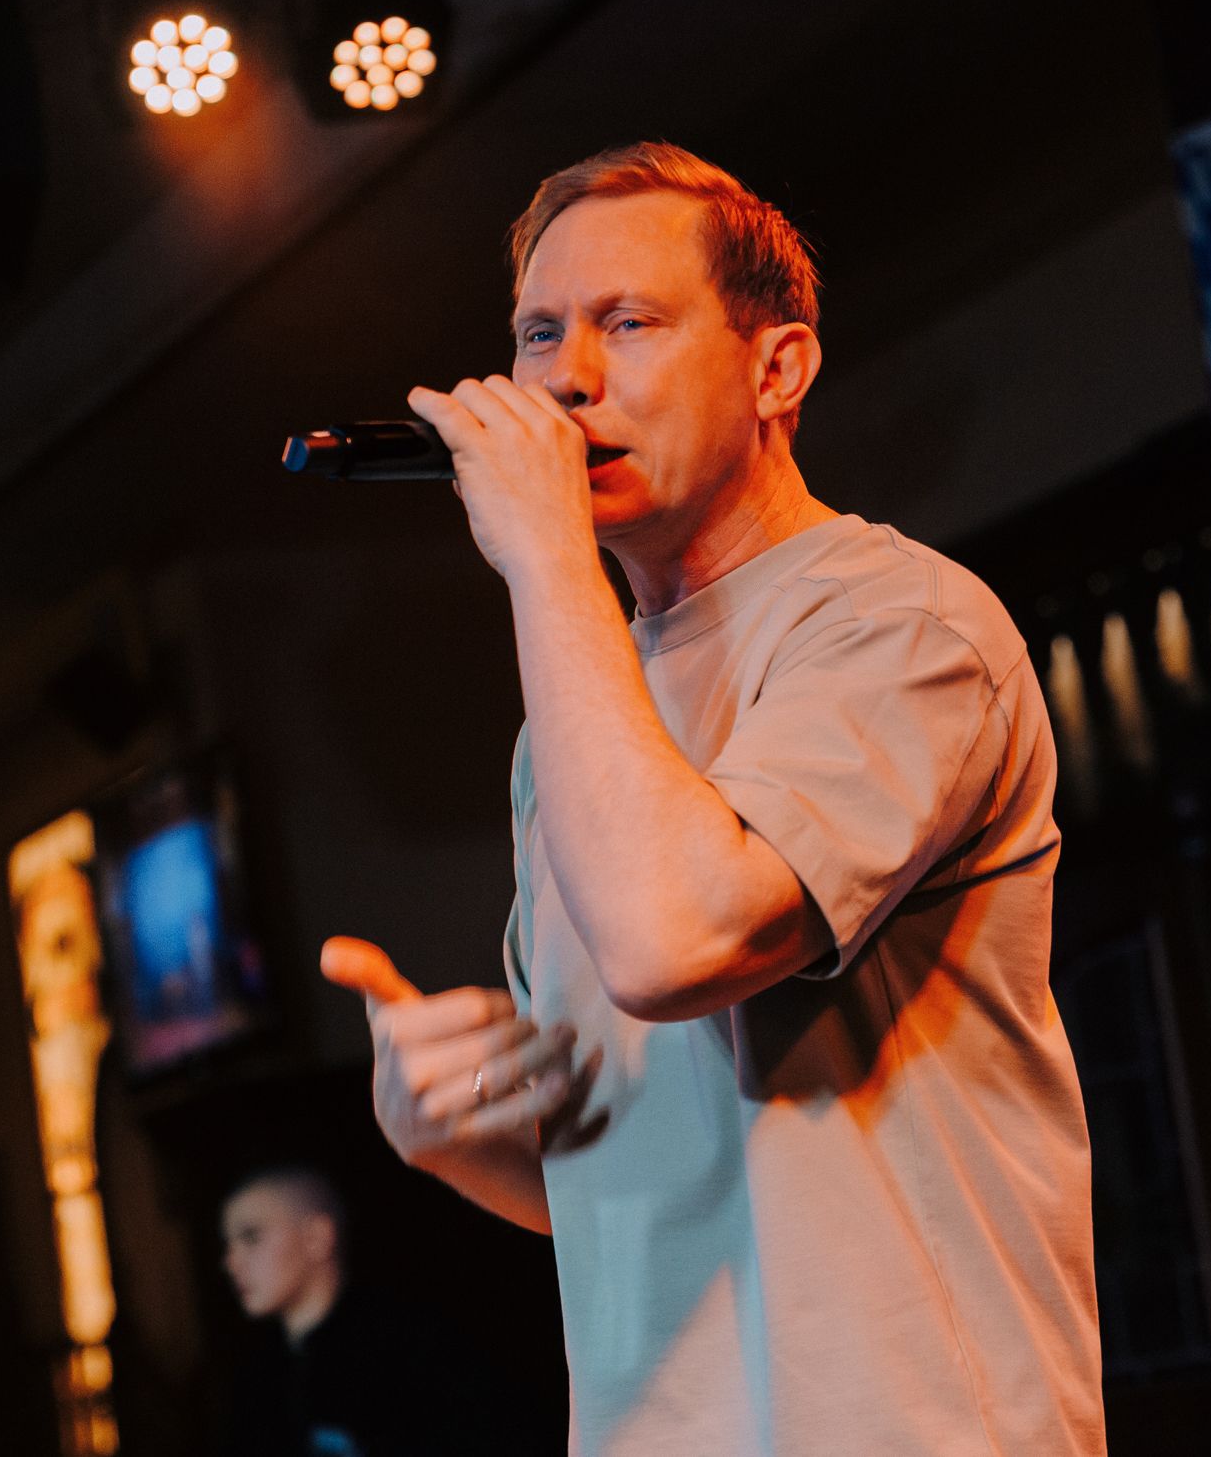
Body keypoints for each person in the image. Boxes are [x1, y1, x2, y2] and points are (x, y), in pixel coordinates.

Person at [320, 142, 1105, 1455]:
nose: (566, 376)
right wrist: (445, 1129)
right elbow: (621, 1181)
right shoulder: (571, 719)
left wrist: (544, 557)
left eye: (627, 322)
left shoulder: (899, 623)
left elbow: (674, 944)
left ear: (776, 370)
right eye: (539, 332)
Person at [211, 1163, 451, 1457]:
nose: (231, 1262)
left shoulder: (407, 1353)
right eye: (228, 1244)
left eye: (251, 1237)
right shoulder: (255, 1379)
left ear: (317, 1237)